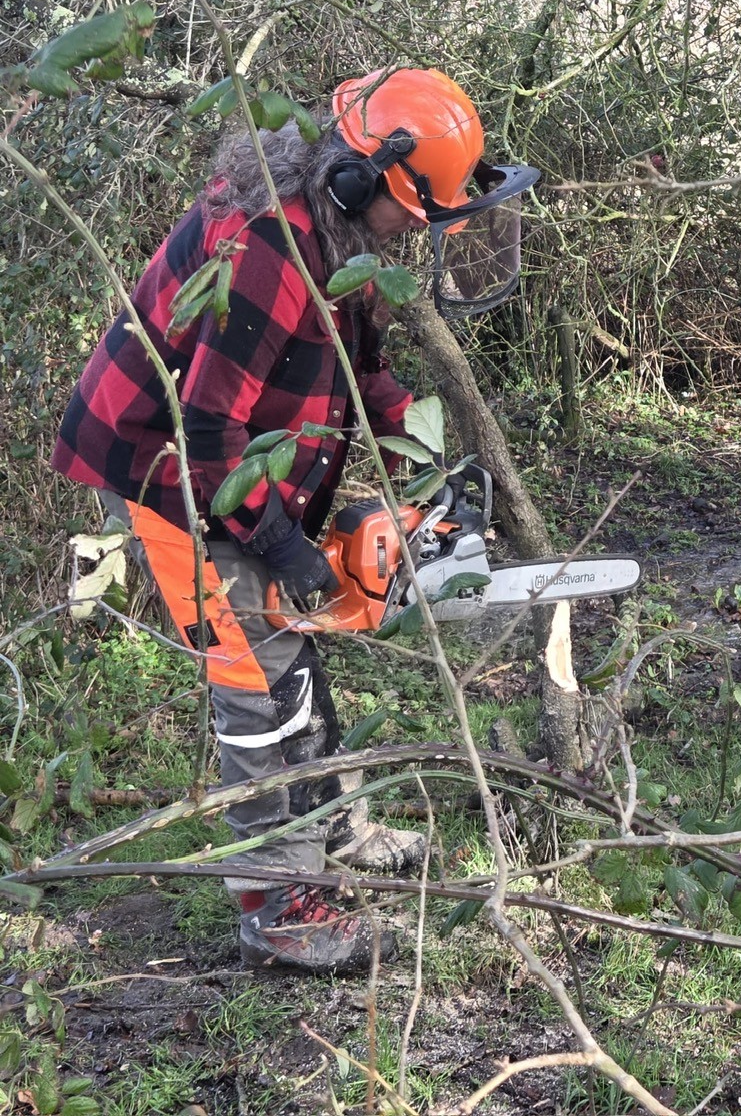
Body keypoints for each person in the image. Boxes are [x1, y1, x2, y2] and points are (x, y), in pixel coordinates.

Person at [51, 67, 493, 974]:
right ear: (359, 180)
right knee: (256, 676)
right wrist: (282, 544)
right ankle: (276, 901)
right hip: (159, 466)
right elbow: (210, 428)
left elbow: (358, 370)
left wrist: (424, 452)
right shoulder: (270, 249)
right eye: (412, 211)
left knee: (293, 640)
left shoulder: (339, 238)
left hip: (219, 458)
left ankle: (331, 830)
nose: (416, 230)